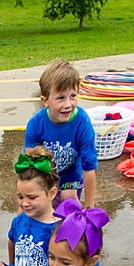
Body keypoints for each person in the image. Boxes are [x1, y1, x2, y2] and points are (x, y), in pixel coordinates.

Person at [25, 59, 97, 212]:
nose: (68, 104)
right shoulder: (36, 124)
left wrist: (89, 208)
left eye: (72, 96)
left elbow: (89, 168)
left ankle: (75, 228)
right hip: (45, 173)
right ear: (45, 101)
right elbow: (28, 165)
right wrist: (26, 198)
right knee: (35, 208)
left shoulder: (82, 123)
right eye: (60, 98)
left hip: (71, 173)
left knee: (68, 198)